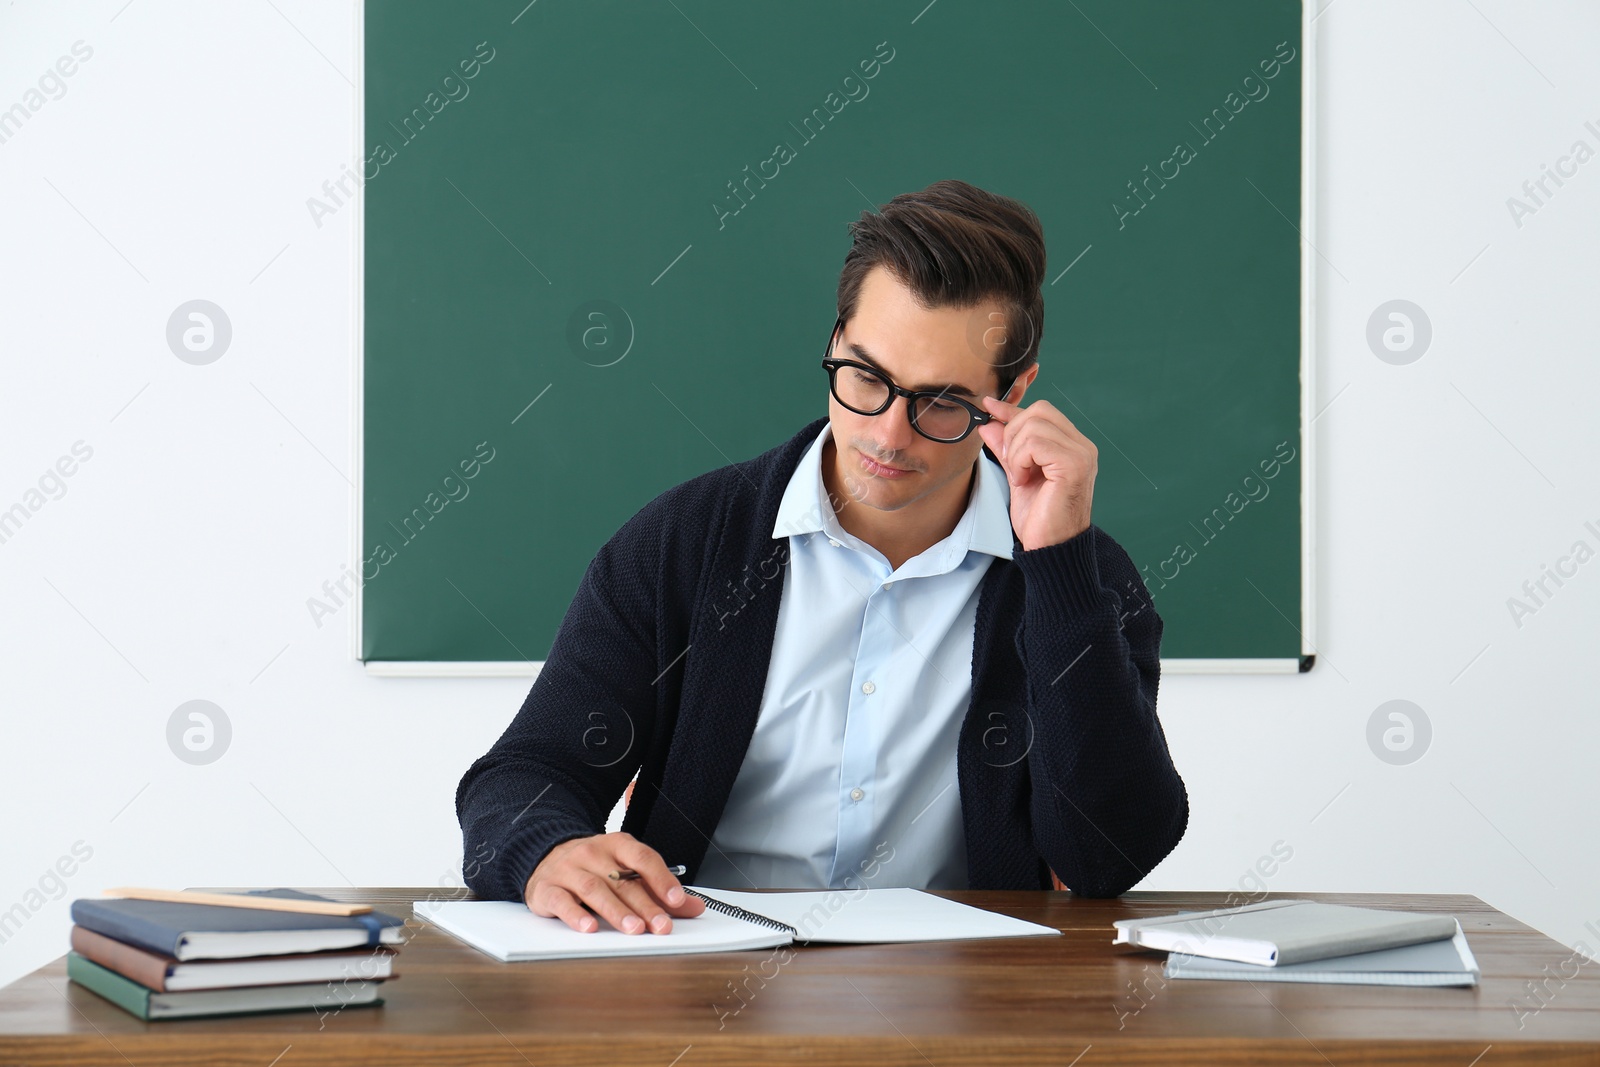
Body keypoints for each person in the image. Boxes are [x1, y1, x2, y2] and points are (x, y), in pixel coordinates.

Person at [456, 178, 1187, 935]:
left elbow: (1110, 854)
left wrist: (1058, 569)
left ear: (1014, 392)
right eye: (867, 377)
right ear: (835, 341)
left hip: (967, 1002)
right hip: (700, 981)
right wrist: (546, 849)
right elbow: (526, 775)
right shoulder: (685, 541)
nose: (889, 435)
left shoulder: (1083, 575)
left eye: (941, 402)